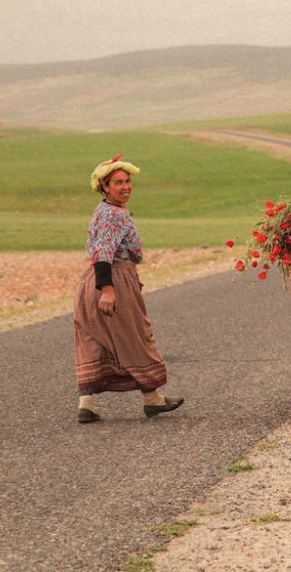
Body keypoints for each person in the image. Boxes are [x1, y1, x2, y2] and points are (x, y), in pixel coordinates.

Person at [73, 155, 184, 424]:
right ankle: (152, 399)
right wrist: (109, 290)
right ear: (105, 187)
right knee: (134, 335)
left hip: (89, 283)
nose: (125, 187)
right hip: (111, 277)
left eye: (128, 181)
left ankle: (86, 405)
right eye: (118, 182)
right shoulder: (115, 216)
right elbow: (103, 254)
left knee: (94, 339)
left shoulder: (102, 211)